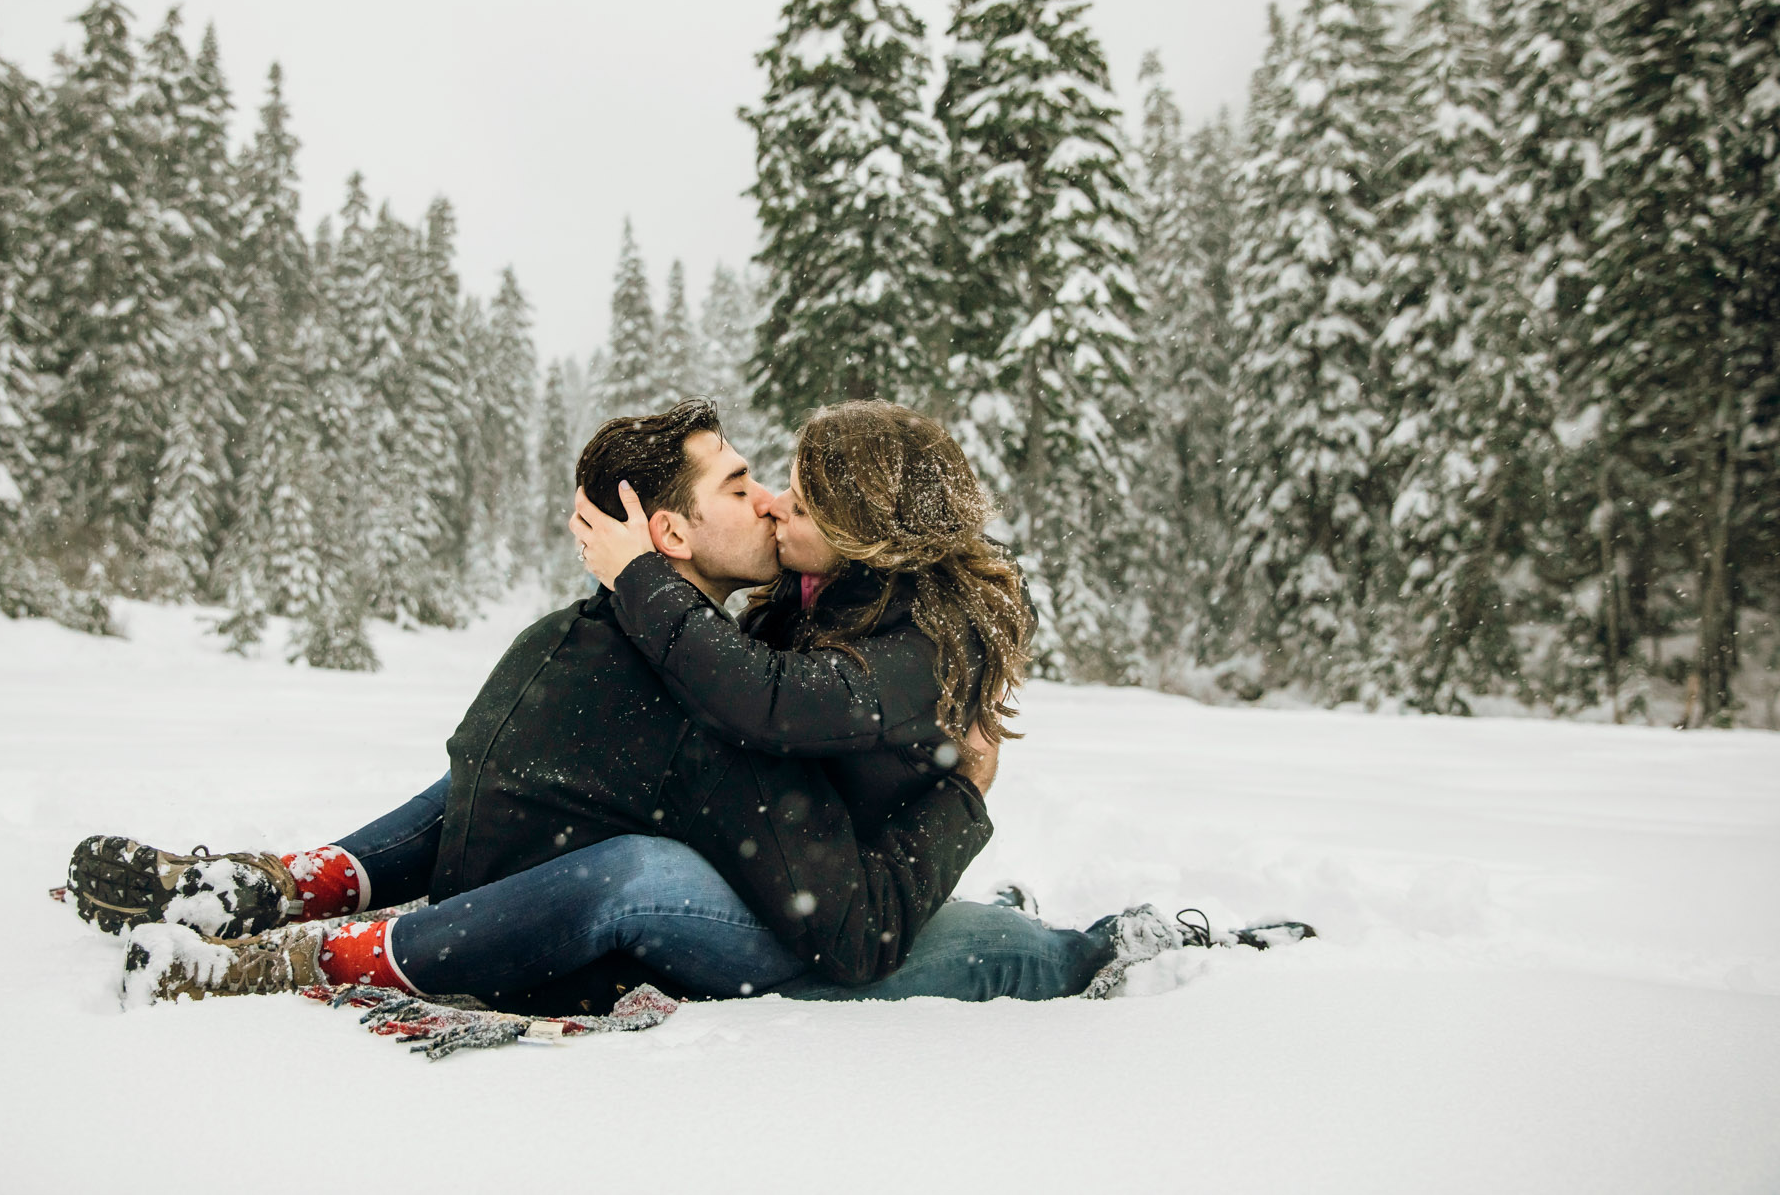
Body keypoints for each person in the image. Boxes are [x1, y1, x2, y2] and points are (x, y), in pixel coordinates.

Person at [86, 400, 1302, 1009]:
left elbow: (798, 775)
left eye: (789, 493)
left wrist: (965, 796)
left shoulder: (899, 648)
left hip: (846, 909)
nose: (770, 503)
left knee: (1021, 957)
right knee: (598, 832)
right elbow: (750, 719)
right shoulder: (772, 626)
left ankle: (1121, 952)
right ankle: (281, 889)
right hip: (819, 871)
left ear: (866, 535)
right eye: (747, 484)